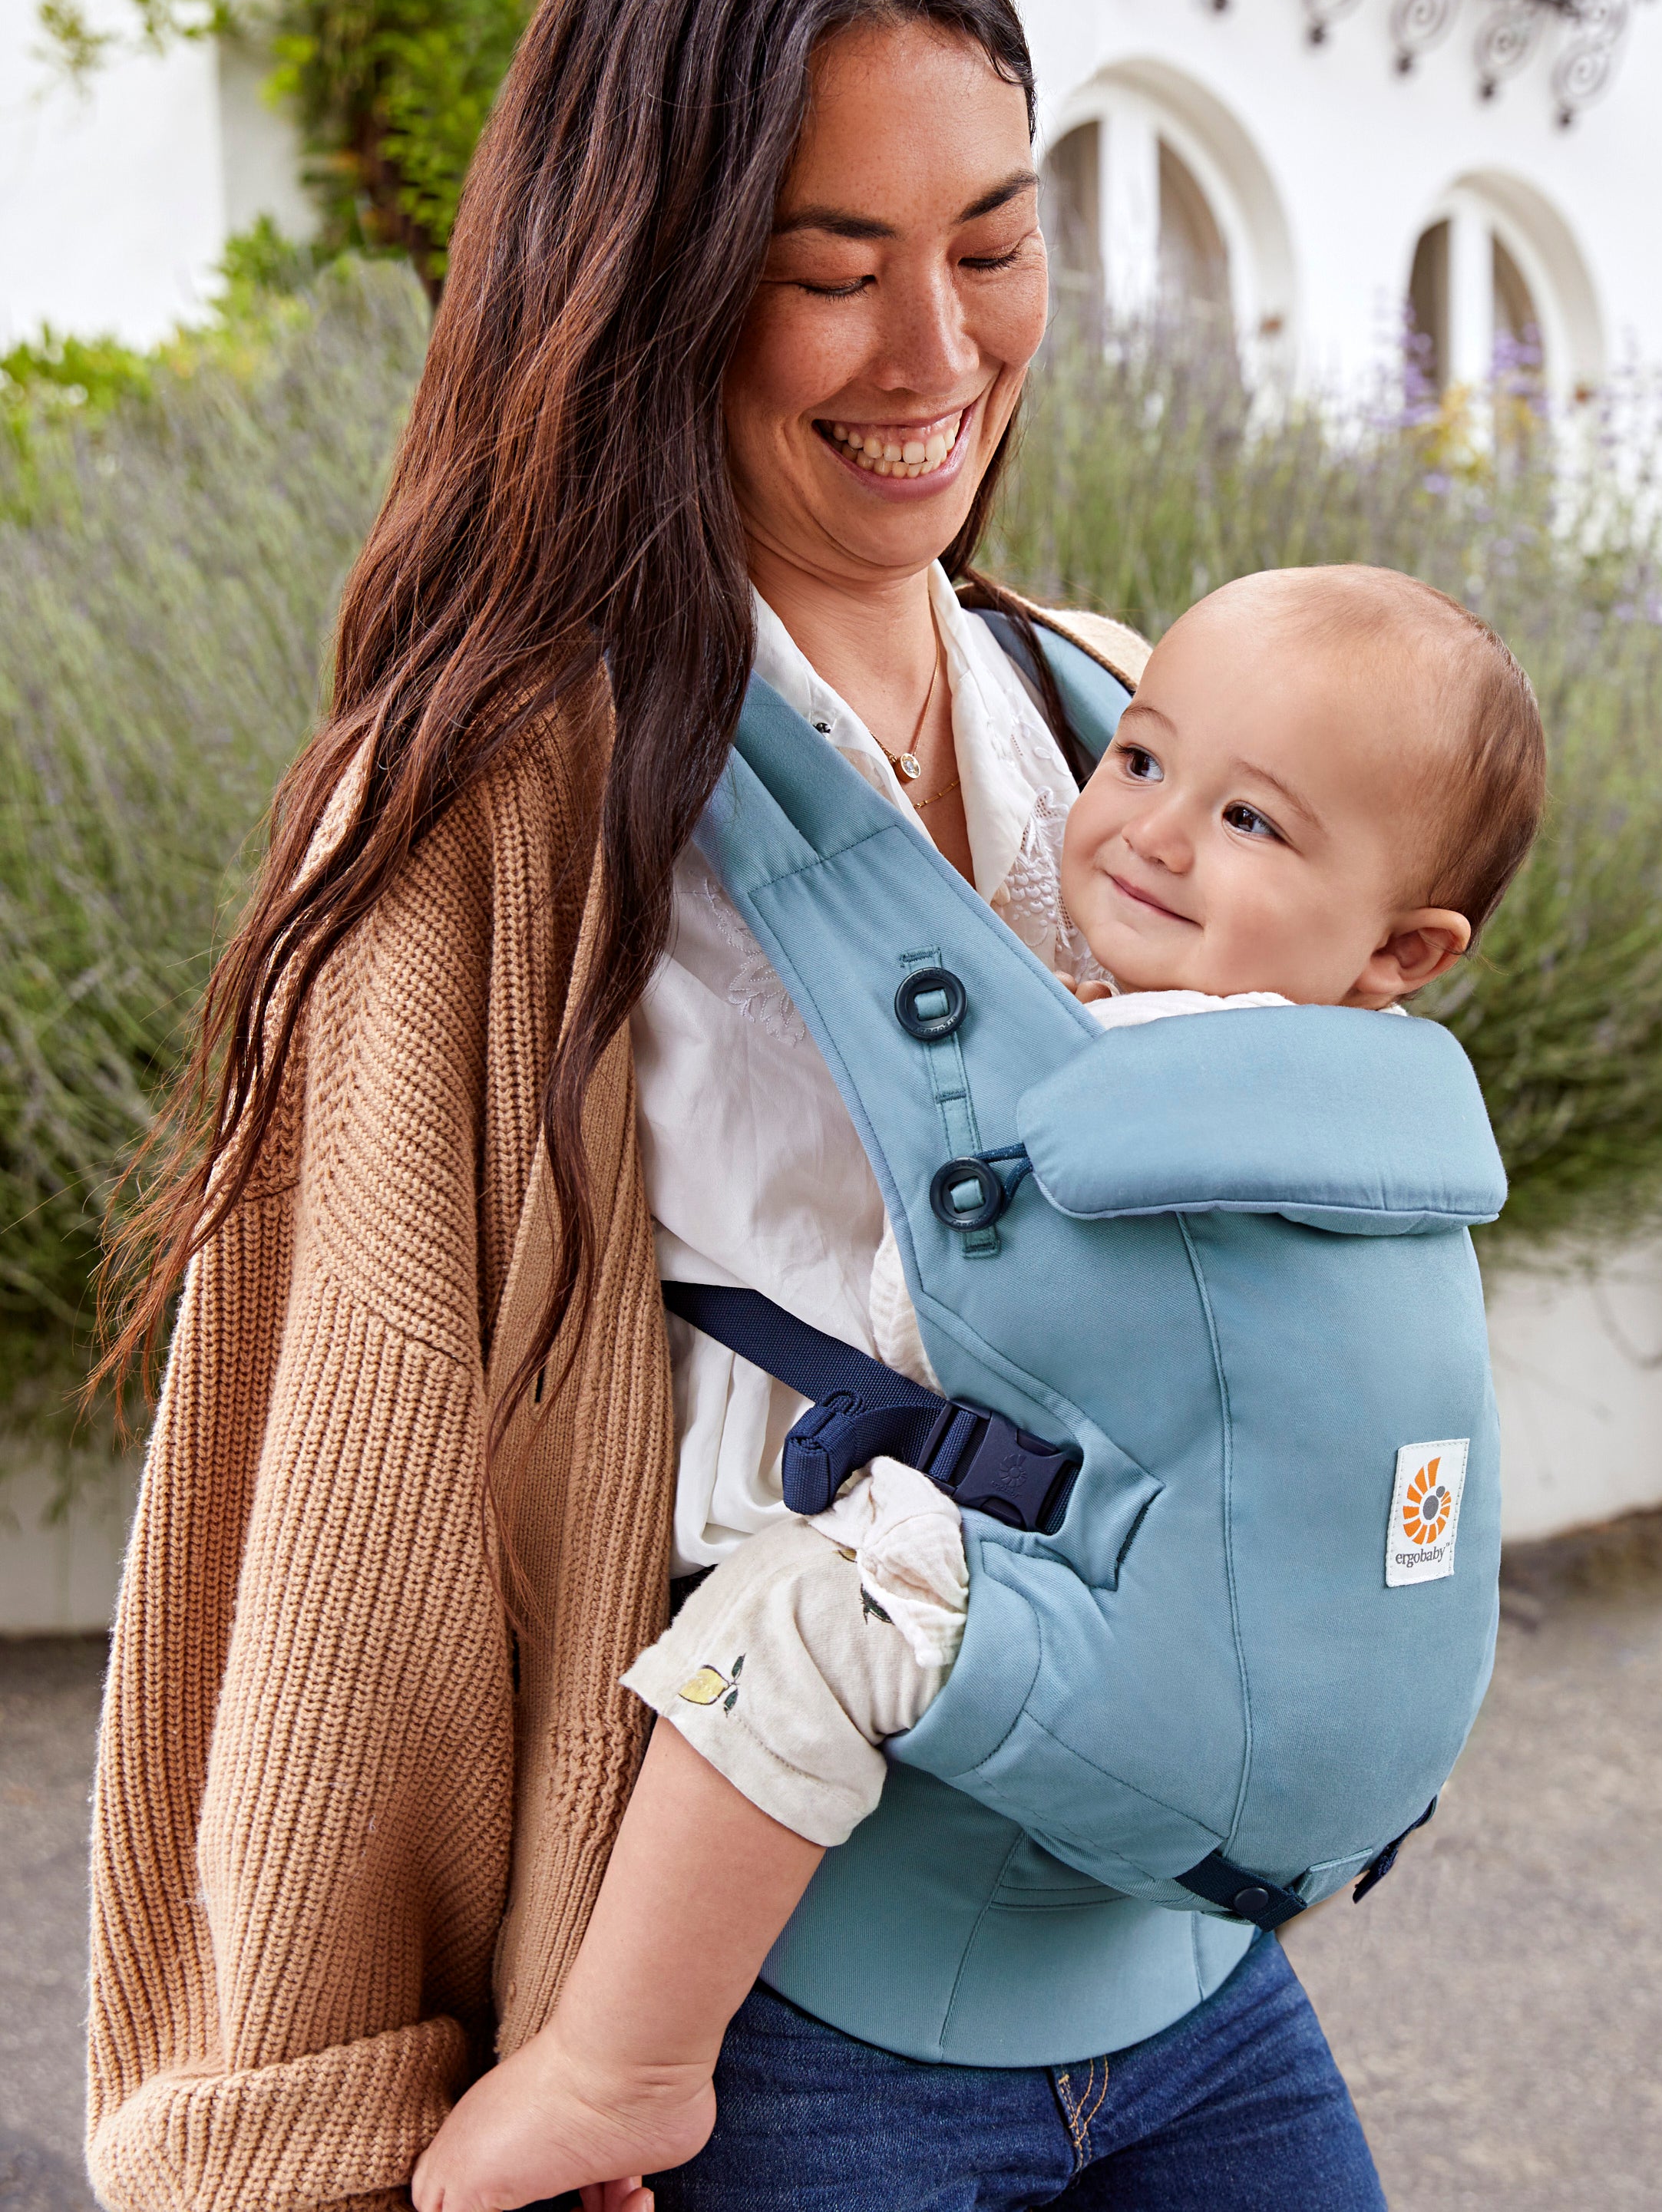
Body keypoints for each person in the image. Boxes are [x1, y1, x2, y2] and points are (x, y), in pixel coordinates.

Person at [84, 0, 1398, 2209]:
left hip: (1174, 1977)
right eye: (830, 270)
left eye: (992, 244)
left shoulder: (1106, 712)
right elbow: (345, 1512)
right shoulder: (489, 806)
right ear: (652, 275)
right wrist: (325, 2117)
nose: (938, 350)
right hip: (771, 2037)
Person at [408, 563, 1545, 2212]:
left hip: (1141, 1866)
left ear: (1405, 947)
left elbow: (917, 1312)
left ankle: (619, 2066)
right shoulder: (1396, 1132)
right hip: (1219, 1891)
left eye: (1252, 824)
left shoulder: (1123, 1080)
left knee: (803, 1612)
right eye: (1141, 760)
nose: (1152, 832)